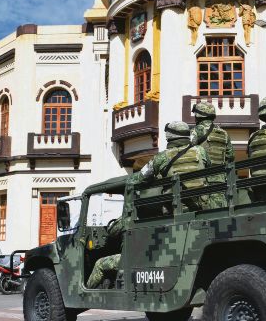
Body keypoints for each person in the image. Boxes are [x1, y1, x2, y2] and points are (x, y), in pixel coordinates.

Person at [86, 121, 211, 288]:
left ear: (169, 137)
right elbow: (208, 171)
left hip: (174, 214)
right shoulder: (200, 151)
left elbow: (139, 178)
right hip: (202, 209)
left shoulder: (162, 157)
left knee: (100, 264)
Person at [191, 101, 234, 207]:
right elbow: (230, 156)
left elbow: (187, 151)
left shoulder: (195, 131)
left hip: (201, 180)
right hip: (220, 179)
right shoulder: (224, 133)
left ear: (198, 116)